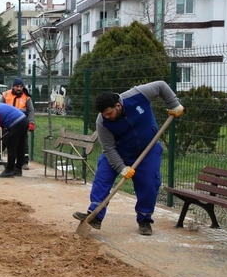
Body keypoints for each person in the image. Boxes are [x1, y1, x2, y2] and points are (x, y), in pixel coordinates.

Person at [73, 81, 184, 236]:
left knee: (149, 182)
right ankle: (95, 215)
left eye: (109, 113)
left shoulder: (138, 95)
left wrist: (174, 104)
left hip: (148, 149)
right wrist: (121, 168)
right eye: (104, 114)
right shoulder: (102, 121)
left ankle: (144, 219)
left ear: (118, 106)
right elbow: (108, 148)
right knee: (102, 177)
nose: (107, 117)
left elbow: (161, 86)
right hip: (119, 152)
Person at [0, 78, 35, 170]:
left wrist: (31, 122)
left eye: (21, 87)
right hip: (8, 123)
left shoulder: (26, 97)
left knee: (23, 143)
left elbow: (31, 110)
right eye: (17, 86)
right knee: (3, 140)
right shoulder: (6, 95)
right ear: (13, 87)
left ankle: (24, 162)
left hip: (21, 124)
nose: (19, 88)